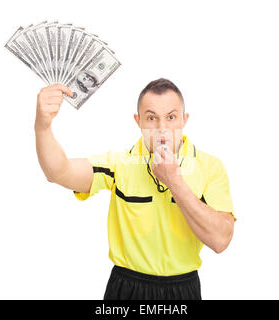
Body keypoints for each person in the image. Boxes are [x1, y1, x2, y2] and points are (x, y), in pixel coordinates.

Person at [34, 78, 236, 300]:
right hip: (127, 288)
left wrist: (174, 181)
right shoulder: (119, 164)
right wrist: (42, 126)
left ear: (184, 120)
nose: (162, 129)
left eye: (171, 117)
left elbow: (220, 240)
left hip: (183, 289)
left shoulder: (210, 167)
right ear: (138, 121)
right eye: (151, 118)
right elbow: (58, 172)